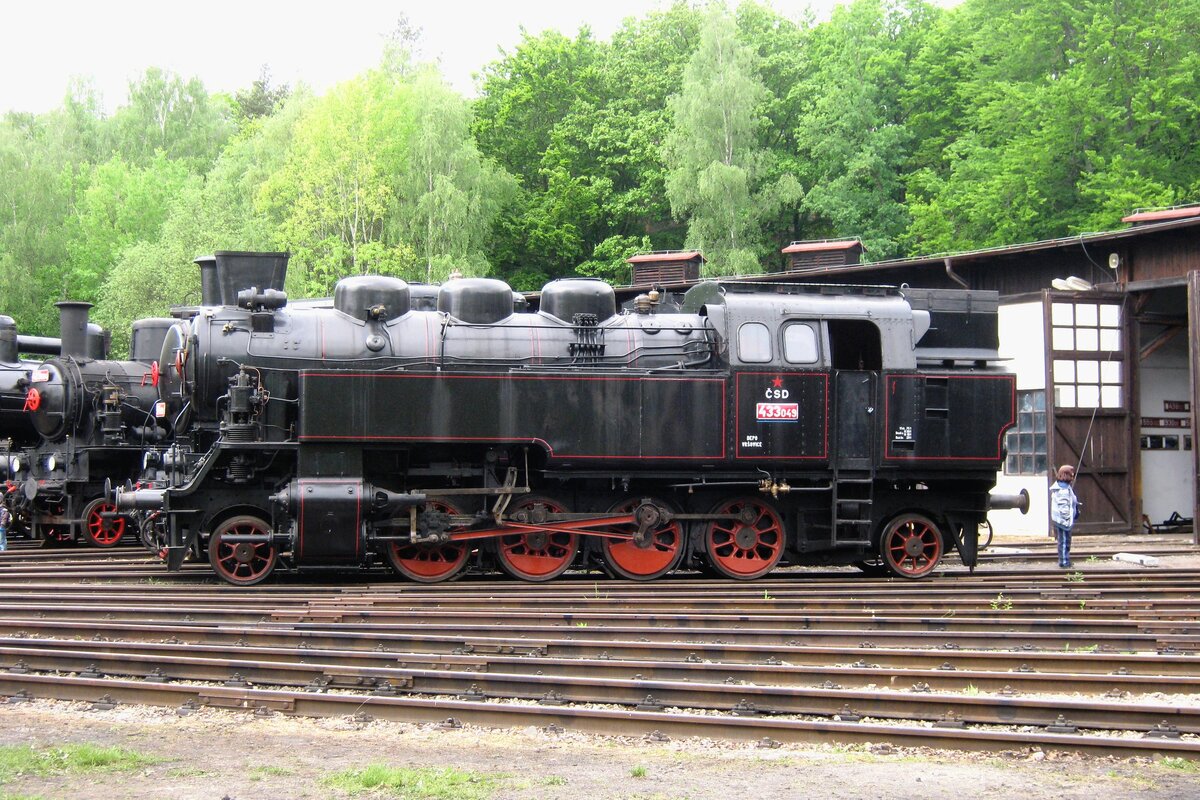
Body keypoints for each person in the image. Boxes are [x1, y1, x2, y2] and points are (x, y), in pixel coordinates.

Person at [1049, 464, 1080, 567]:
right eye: (1072, 474)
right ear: (1066, 475)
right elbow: (1063, 506)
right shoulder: (1063, 490)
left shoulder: (1064, 487)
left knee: (1065, 541)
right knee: (1064, 542)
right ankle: (1064, 562)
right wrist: (1067, 518)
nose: (1073, 476)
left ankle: (1065, 560)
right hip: (1063, 520)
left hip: (1062, 520)